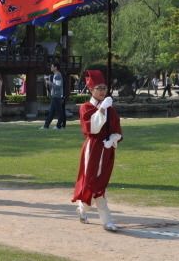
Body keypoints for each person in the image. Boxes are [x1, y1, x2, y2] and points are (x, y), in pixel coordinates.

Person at [72, 70, 122, 232]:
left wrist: (112, 139)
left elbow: (117, 130)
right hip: (92, 149)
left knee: (101, 183)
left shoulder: (110, 109)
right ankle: (105, 220)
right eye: (98, 88)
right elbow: (92, 128)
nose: (102, 91)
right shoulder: (86, 107)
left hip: (106, 149)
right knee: (92, 182)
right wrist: (101, 110)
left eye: (104, 88)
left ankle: (83, 209)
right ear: (91, 89)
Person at [41, 63, 64, 130]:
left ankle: (58, 126)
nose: (51, 67)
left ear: (55, 68)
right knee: (51, 112)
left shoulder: (58, 75)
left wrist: (49, 82)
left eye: (52, 66)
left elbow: (58, 87)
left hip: (57, 96)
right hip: (55, 96)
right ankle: (46, 126)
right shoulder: (55, 75)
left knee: (59, 112)